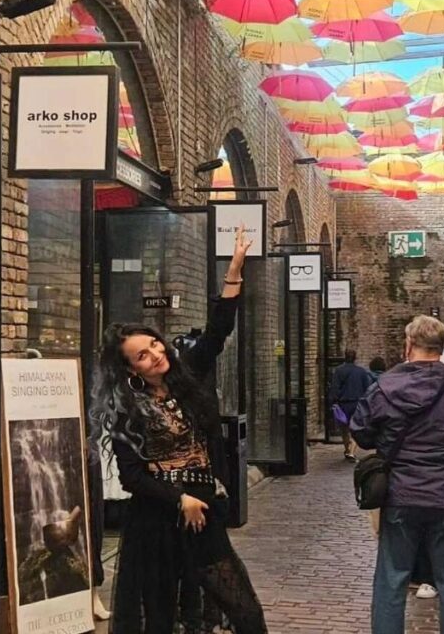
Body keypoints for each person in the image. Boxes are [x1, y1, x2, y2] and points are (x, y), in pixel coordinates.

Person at [93, 227, 267, 634]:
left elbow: (217, 332)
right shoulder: (125, 407)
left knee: (244, 611)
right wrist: (179, 499)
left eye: (154, 345)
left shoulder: (186, 377)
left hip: (204, 513)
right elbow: (131, 476)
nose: (155, 355)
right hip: (156, 522)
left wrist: (234, 271)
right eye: (142, 355)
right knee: (162, 619)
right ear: (130, 369)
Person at [351, 316, 444, 634]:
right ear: (442, 348)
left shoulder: (385, 386)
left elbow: (361, 432)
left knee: (391, 581)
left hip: (400, 495)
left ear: (408, 345)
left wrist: (387, 437)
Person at [329, 350, 373, 461]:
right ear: (355, 358)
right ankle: (352, 451)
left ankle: (347, 449)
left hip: (343, 404)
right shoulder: (361, 371)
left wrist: (333, 401)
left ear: (345, 357)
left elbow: (335, 388)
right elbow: (367, 389)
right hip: (357, 404)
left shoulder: (339, 371)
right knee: (356, 428)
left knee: (344, 428)